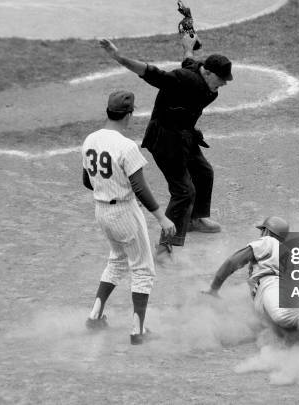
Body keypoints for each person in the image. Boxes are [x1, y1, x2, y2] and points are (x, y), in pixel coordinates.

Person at [98, 34, 233, 261]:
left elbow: (189, 61)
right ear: (207, 73)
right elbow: (151, 73)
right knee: (184, 191)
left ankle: (195, 219)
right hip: (165, 140)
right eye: (222, 78)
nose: (224, 83)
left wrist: (187, 45)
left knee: (203, 172)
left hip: (184, 135)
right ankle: (164, 247)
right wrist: (119, 56)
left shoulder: (199, 74)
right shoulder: (182, 79)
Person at [82, 90, 176, 345]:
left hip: (101, 210)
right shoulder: (126, 146)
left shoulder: (90, 139)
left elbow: (86, 181)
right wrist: (162, 218)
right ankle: (138, 331)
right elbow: (140, 187)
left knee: (117, 260)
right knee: (144, 269)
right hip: (123, 212)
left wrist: (107, 185)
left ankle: (95, 317)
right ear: (129, 114)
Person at [202, 217, 299, 342]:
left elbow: (232, 261)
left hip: (271, 285)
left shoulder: (267, 241)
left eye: (261, 231)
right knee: (278, 330)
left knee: (281, 316)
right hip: (275, 291)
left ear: (267, 232)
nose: (260, 234)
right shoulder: (287, 251)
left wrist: (214, 288)